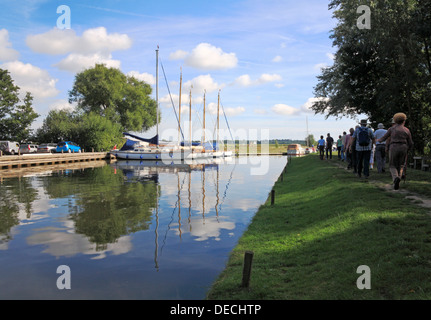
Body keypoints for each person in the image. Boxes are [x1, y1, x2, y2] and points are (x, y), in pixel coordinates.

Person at [377, 113, 413, 190]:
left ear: (395, 120)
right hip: (404, 147)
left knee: (392, 165)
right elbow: (410, 142)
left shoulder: (392, 129)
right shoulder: (407, 130)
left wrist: (376, 140)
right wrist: (408, 149)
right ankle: (398, 179)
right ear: (403, 121)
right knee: (401, 165)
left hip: (394, 147)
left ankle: (395, 178)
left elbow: (383, 138)